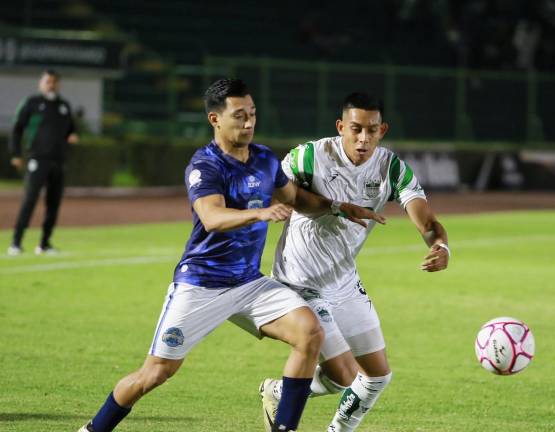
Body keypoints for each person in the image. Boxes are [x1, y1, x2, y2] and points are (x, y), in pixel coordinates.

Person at [78, 79, 385, 432]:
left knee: (309, 332)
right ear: (215, 119)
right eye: (239, 116)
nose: (249, 123)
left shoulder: (265, 159)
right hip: (201, 284)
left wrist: (338, 207)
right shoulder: (205, 166)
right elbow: (212, 217)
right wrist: (259, 213)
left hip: (249, 283)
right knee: (155, 373)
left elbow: (297, 199)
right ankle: (93, 429)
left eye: (252, 114)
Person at [259, 92, 450, 431]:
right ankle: (285, 394)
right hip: (299, 281)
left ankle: (284, 394)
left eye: (372, 130)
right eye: (355, 129)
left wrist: (441, 247)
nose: (363, 139)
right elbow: (274, 187)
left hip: (344, 282)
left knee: (377, 376)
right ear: (340, 127)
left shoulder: (391, 168)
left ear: (383, 130)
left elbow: (428, 222)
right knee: (346, 374)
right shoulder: (311, 156)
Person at [8, 69, 79, 256]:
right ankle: (16, 243)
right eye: (48, 81)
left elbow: (71, 130)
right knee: (29, 200)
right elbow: (17, 129)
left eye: (54, 81)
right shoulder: (32, 103)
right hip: (37, 159)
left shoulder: (63, 106)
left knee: (53, 204)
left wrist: (72, 136)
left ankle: (44, 244)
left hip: (58, 161)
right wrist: (16, 153)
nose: (51, 84)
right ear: (41, 83)